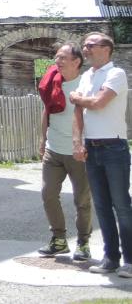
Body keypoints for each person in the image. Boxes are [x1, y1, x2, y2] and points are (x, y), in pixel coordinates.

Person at [70, 32, 132, 277]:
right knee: (103, 206)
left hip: (113, 146)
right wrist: (77, 142)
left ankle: (130, 260)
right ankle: (111, 258)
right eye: (84, 45)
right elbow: (79, 109)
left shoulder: (116, 74)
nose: (85, 49)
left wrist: (78, 97)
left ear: (106, 48)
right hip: (92, 146)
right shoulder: (87, 76)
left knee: (122, 205)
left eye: (90, 45)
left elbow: (98, 103)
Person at [37, 43, 92, 261]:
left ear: (76, 61)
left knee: (82, 200)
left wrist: (85, 145)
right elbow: (47, 110)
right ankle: (59, 240)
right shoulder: (54, 81)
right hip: (54, 149)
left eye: (62, 57)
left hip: (78, 152)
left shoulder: (86, 84)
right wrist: (43, 139)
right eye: (56, 57)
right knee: (48, 194)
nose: (57, 61)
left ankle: (83, 243)